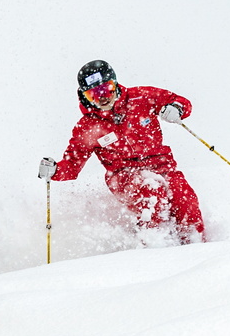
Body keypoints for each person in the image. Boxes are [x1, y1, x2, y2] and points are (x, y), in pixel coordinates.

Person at [39, 60, 205, 243]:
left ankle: (194, 245)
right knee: (151, 191)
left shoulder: (140, 98)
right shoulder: (88, 127)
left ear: (115, 84)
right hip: (123, 176)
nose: (102, 97)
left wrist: (176, 108)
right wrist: (54, 171)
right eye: (93, 93)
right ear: (84, 96)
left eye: (106, 89)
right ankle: (156, 245)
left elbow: (180, 102)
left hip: (162, 167)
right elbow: (71, 165)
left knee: (184, 197)